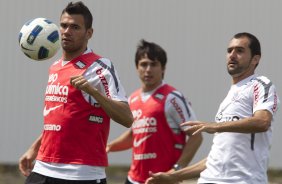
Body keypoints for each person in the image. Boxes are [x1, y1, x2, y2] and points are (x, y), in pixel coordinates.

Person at [18, 2, 133, 184]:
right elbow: (61, 118)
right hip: (42, 168)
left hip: (81, 174)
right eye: (63, 25)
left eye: (75, 27)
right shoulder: (55, 67)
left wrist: (93, 91)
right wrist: (34, 148)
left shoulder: (100, 67)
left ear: (89, 33)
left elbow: (127, 118)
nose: (66, 31)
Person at [146, 32, 280, 184]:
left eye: (240, 50)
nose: (232, 55)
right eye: (229, 50)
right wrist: (173, 176)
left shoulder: (260, 84)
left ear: (255, 59)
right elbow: (215, 158)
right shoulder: (228, 97)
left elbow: (263, 122)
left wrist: (216, 126)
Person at [106, 39, 203, 184]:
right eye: (144, 64)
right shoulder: (132, 99)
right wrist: (108, 147)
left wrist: (176, 171)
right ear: (137, 67)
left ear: (163, 68)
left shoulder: (172, 98)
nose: (148, 69)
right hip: (133, 179)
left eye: (154, 64)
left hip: (162, 180)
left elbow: (196, 137)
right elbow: (135, 135)